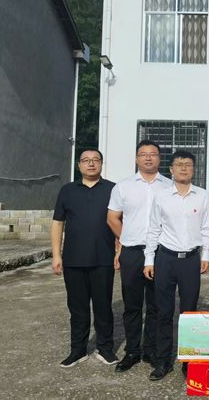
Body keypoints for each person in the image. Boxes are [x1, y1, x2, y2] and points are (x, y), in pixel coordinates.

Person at [143, 150, 209, 381]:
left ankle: (188, 360)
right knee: (164, 312)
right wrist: (149, 259)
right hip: (166, 258)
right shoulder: (161, 196)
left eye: (188, 164)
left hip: (190, 260)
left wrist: (206, 255)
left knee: (189, 312)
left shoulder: (201, 195)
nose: (184, 168)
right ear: (171, 169)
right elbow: (154, 228)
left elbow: (206, 227)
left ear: (193, 169)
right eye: (179, 164)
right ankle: (163, 361)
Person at [107, 140, 171, 372]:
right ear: (136, 159)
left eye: (153, 154)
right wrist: (125, 239)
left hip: (160, 252)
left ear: (159, 158)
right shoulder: (123, 187)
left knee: (156, 304)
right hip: (133, 252)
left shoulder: (169, 186)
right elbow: (112, 218)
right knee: (132, 305)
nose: (148, 158)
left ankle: (151, 349)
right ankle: (132, 350)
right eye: (143, 154)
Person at [51, 149, 118, 368]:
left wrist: (120, 250)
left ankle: (105, 348)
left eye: (95, 160)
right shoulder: (67, 190)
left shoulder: (113, 189)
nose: (91, 164)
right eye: (86, 160)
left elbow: (120, 221)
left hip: (103, 259)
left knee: (103, 307)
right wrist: (56, 255)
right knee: (77, 308)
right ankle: (77, 351)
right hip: (73, 260)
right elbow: (58, 223)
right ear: (79, 165)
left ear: (101, 164)